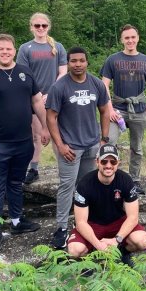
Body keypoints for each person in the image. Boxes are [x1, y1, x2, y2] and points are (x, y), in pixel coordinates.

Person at [0, 34, 50, 252]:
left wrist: (44, 127)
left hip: (22, 141)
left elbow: (36, 101)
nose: (5, 52)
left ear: (14, 51)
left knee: (16, 183)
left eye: (8, 49)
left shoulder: (25, 72)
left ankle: (16, 221)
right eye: (1, 49)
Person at [46, 46, 111, 249]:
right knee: (67, 186)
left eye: (81, 60)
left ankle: (87, 222)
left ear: (87, 62)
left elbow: (104, 110)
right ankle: (62, 227)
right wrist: (60, 145)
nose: (77, 64)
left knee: (88, 185)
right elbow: (51, 117)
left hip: (92, 144)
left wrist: (104, 139)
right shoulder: (60, 87)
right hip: (70, 147)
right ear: (68, 63)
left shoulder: (97, 84)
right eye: (73, 61)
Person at [100, 24, 146, 193]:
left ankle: (134, 180)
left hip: (139, 109)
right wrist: (109, 108)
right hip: (117, 109)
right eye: (127, 38)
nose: (130, 40)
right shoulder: (113, 59)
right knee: (109, 142)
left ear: (138, 38)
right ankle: (111, 178)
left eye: (133, 37)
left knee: (137, 147)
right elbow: (104, 84)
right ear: (122, 40)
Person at [68, 144, 146, 264]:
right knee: (75, 251)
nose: (108, 165)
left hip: (117, 223)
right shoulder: (85, 184)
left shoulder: (125, 180)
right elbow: (80, 222)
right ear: (97, 162)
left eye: (113, 161)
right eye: (104, 161)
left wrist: (116, 240)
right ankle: (88, 260)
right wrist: (99, 245)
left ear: (118, 162)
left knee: (141, 241)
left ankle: (122, 252)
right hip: (92, 225)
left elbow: (133, 217)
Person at [17, 12, 67, 184]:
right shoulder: (25, 48)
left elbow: (63, 72)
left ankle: (64, 170)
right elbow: (23, 74)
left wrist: (51, 92)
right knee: (36, 135)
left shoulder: (58, 47)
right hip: (33, 98)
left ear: (48, 27)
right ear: (31, 27)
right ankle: (34, 168)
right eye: (37, 25)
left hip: (55, 97)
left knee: (57, 134)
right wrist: (36, 94)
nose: (40, 28)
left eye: (43, 25)